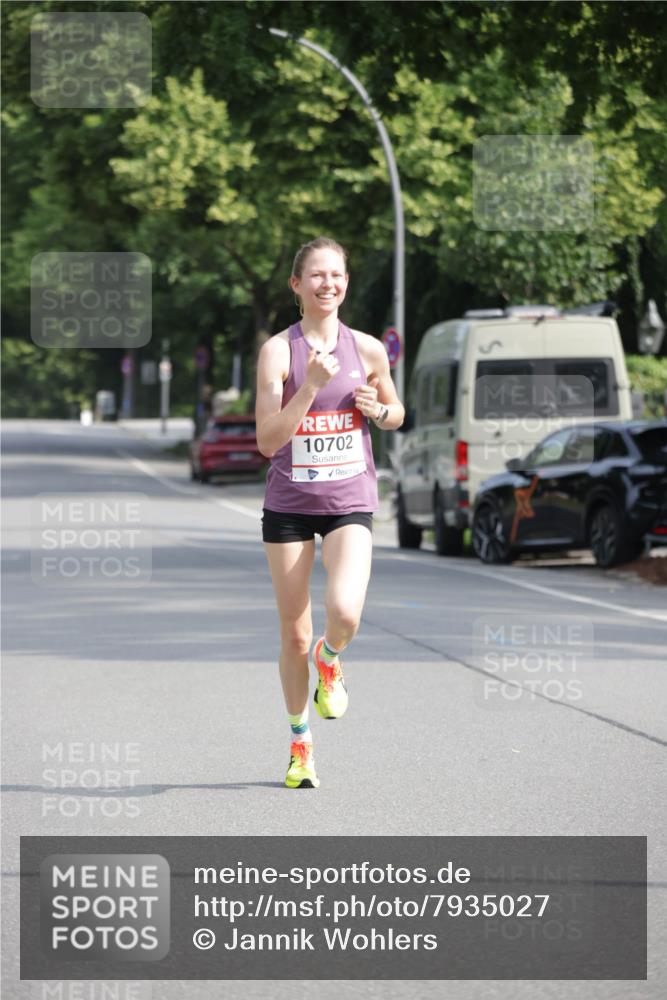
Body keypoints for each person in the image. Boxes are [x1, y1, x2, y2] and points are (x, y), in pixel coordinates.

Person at [255, 236, 404, 788]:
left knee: (345, 613)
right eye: (317, 275)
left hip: (349, 502)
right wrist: (310, 387)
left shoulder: (367, 349)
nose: (328, 283)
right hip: (290, 507)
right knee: (294, 636)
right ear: (297, 285)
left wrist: (379, 410)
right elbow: (268, 440)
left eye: (336, 274)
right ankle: (300, 744)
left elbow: (396, 412)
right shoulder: (278, 352)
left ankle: (331, 656)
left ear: (346, 283)